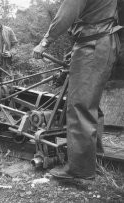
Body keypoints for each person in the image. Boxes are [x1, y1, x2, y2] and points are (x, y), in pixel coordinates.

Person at [33, 0, 122, 180]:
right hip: (106, 42)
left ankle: (80, 169)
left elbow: (66, 15)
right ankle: (93, 157)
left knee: (80, 105)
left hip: (92, 44)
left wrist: (44, 42)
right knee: (90, 103)